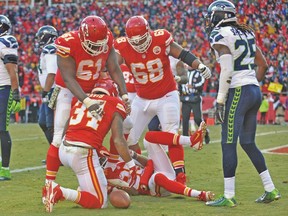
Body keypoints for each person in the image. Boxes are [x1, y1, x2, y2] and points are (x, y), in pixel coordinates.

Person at [114, 16, 211, 184]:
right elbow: (113, 67)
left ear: (148, 33)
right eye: (134, 41)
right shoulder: (122, 45)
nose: (138, 44)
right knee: (128, 138)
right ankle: (139, 170)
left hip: (166, 95)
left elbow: (183, 54)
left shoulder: (161, 38)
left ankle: (180, 175)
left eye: (141, 40)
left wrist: (199, 65)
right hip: (141, 98)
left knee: (171, 134)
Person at [203, 0, 281, 207]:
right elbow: (262, 64)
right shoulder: (247, 33)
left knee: (228, 142)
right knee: (247, 142)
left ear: (218, 16)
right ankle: (271, 189)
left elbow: (227, 69)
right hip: (253, 89)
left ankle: (229, 196)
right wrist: (251, 83)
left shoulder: (220, 35)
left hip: (238, 90)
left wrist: (220, 100)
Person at [42, 15, 129, 188]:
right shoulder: (67, 42)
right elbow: (68, 78)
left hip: (94, 88)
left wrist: (125, 95)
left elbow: (114, 68)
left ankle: (110, 166)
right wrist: (87, 101)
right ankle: (49, 184)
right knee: (59, 137)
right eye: (93, 44)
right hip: (68, 90)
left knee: (126, 124)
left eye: (100, 45)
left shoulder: (107, 39)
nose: (97, 49)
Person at [44, 78, 136, 213]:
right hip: (82, 154)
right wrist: (131, 164)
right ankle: (59, 191)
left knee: (100, 173)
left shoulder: (81, 99)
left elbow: (66, 127)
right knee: (99, 202)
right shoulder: (115, 102)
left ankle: (85, 188)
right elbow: (118, 140)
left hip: (64, 150)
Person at [104, 121, 214, 201]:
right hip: (151, 185)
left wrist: (134, 155)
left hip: (152, 174)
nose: (102, 159)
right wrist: (130, 185)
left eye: (103, 157)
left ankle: (190, 142)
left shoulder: (118, 160)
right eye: (101, 159)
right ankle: (198, 194)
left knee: (149, 137)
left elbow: (148, 163)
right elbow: (135, 192)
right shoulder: (105, 180)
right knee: (158, 177)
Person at [0, 15, 20, 180]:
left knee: (2, 129)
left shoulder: (7, 41)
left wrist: (15, 92)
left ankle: (5, 169)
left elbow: (12, 69)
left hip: (4, 90)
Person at [36, 25, 58, 148]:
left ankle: (58, 154)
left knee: (51, 124)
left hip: (53, 89)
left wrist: (46, 91)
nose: (39, 40)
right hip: (50, 89)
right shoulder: (48, 49)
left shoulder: (50, 49)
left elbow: (52, 73)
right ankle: (54, 152)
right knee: (43, 122)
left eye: (41, 37)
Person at [180, 68, 211, 144]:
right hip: (185, 98)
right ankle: (185, 139)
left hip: (195, 98)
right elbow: (179, 83)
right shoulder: (184, 73)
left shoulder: (198, 73)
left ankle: (206, 133)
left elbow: (202, 83)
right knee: (185, 119)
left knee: (198, 118)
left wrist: (193, 86)